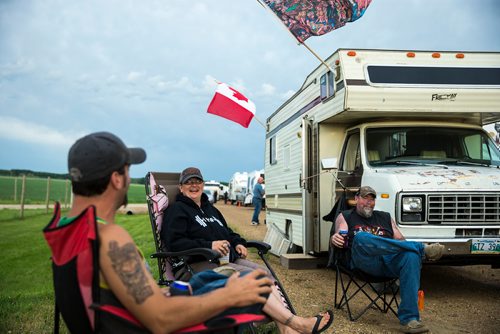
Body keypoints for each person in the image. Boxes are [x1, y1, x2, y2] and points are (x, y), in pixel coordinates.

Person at [58, 132, 271, 333]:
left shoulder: (69, 230)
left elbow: (135, 301)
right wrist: (229, 296)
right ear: (117, 179)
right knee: (227, 290)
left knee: (205, 281)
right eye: (128, 171)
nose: (130, 179)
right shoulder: (111, 239)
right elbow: (161, 320)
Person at [161, 167, 334, 334]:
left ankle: (285, 329)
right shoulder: (176, 210)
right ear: (180, 187)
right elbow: (174, 242)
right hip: (197, 265)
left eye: (197, 181)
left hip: (224, 259)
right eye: (188, 182)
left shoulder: (211, 209)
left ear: (203, 184)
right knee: (254, 279)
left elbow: (227, 232)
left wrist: (238, 242)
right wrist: (209, 245)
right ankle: (295, 323)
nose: (193, 185)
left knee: (263, 272)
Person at [331, 186, 445, 334]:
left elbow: (401, 242)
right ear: (357, 199)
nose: (369, 202)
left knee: (410, 255)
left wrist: (404, 249)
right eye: (365, 198)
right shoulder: (346, 216)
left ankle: (410, 320)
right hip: (365, 261)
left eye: (372, 199)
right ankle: (421, 248)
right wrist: (335, 238)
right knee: (361, 237)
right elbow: (340, 233)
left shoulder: (385, 217)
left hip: (388, 262)